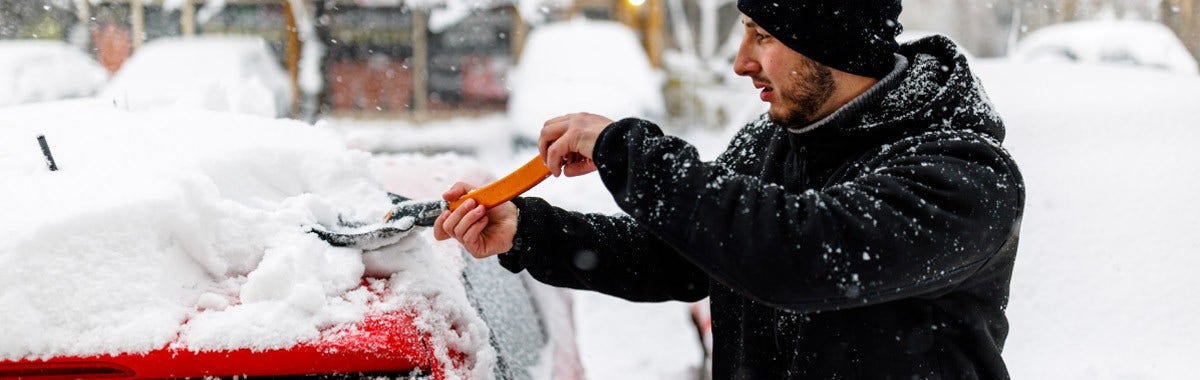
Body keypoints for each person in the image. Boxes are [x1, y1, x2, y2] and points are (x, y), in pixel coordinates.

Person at [433, 0, 1025, 378]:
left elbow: (800, 256)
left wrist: (628, 153)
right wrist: (531, 232)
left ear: (831, 41)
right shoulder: (775, 142)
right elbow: (688, 257)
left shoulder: (964, 176)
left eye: (762, 35)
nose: (741, 62)